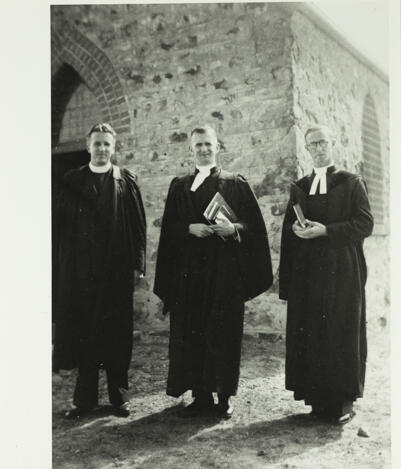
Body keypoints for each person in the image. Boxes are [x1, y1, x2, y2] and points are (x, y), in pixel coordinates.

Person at [154, 125, 272, 418]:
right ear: (190, 150)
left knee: (223, 332)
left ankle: (225, 396)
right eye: (198, 146)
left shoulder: (235, 184)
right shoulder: (179, 186)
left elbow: (254, 227)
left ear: (218, 146)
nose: (204, 149)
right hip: (189, 275)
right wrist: (187, 228)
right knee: (193, 332)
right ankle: (201, 396)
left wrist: (234, 228)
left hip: (224, 274)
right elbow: (168, 229)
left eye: (208, 144)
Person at [279, 124, 373, 424]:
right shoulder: (301, 186)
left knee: (340, 331)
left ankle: (344, 403)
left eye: (323, 142)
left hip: (342, 270)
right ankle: (318, 401)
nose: (318, 148)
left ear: (331, 144)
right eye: (313, 145)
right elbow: (287, 230)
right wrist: (296, 230)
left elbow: (364, 224)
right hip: (309, 273)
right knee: (314, 332)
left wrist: (326, 231)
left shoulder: (351, 182)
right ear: (307, 149)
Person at [53, 123, 146, 419]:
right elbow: (60, 229)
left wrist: (138, 265)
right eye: (97, 144)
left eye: (107, 144)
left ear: (114, 147)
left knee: (117, 335)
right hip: (82, 273)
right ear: (88, 145)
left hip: (116, 274)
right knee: (85, 334)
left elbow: (138, 226)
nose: (102, 149)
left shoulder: (125, 180)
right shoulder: (72, 180)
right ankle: (84, 400)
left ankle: (119, 397)